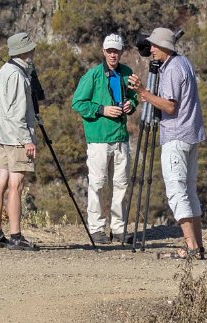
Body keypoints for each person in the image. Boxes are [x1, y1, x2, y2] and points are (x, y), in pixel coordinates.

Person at [128, 28, 206, 259]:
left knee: (176, 190)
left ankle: (191, 247)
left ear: (164, 47)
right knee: (189, 191)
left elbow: (170, 106)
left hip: (176, 134)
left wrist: (143, 92)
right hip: (191, 133)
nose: (150, 49)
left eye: (153, 46)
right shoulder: (185, 63)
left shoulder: (171, 69)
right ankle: (198, 246)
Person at [72, 33, 138, 244]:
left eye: (116, 51)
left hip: (120, 137)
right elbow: (78, 103)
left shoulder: (127, 73)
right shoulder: (92, 76)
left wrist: (131, 105)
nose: (113, 55)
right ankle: (97, 228)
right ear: (103, 52)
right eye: (109, 51)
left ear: (121, 52)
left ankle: (118, 229)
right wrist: (102, 109)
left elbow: (134, 97)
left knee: (121, 184)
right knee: (98, 184)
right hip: (98, 138)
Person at [0, 32, 39, 250]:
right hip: (17, 137)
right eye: (31, 49)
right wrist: (27, 140)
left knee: (1, 182)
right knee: (16, 186)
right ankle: (16, 235)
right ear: (23, 51)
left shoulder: (5, 70)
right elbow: (18, 112)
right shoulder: (18, 75)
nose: (33, 52)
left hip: (4, 136)